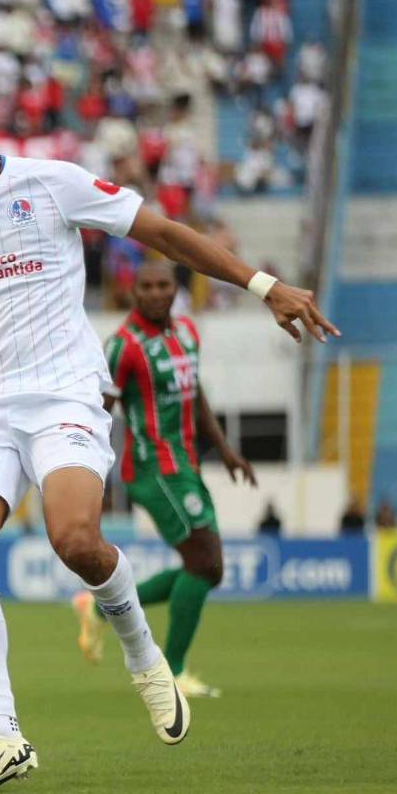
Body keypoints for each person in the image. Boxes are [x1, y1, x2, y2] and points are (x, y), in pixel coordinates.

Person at [0, 88, 338, 793]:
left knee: (75, 538)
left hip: (62, 393)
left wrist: (262, 284)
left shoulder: (52, 185)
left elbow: (164, 234)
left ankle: (143, 651)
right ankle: (3, 735)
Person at [72, 261, 257, 700]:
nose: (156, 293)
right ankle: (171, 670)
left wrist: (225, 449)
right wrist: (85, 469)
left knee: (206, 568)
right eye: (146, 287)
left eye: (163, 286)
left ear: (177, 290)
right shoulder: (123, 346)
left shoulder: (188, 333)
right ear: (131, 292)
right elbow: (102, 409)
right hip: (153, 468)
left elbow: (195, 395)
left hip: (185, 465)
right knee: (207, 563)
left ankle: (99, 609)